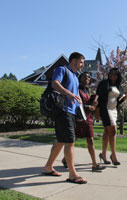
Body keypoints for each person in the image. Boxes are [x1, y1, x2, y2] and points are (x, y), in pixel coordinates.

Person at [42, 52, 87, 184]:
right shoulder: (62, 69)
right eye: (81, 62)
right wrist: (69, 94)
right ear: (73, 60)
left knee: (61, 141)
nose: (82, 65)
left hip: (71, 111)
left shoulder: (75, 76)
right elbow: (54, 84)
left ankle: (48, 167)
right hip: (63, 110)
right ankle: (73, 174)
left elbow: (74, 92)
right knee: (69, 141)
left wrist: (79, 100)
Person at [62, 72, 105, 172]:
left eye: (89, 77)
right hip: (78, 117)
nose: (87, 78)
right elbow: (76, 102)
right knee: (73, 140)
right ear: (79, 79)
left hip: (88, 118)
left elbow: (87, 103)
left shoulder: (87, 90)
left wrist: (94, 104)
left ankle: (95, 164)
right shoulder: (76, 88)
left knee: (90, 140)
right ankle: (65, 159)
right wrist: (87, 106)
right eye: (84, 77)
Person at [96, 68, 127, 165]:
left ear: (118, 76)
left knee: (107, 132)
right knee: (113, 130)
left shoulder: (118, 86)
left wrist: (124, 98)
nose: (113, 76)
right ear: (109, 75)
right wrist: (97, 112)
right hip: (105, 109)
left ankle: (103, 154)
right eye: (111, 74)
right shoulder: (104, 83)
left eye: (115, 74)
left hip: (114, 110)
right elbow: (98, 97)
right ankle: (113, 156)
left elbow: (117, 102)